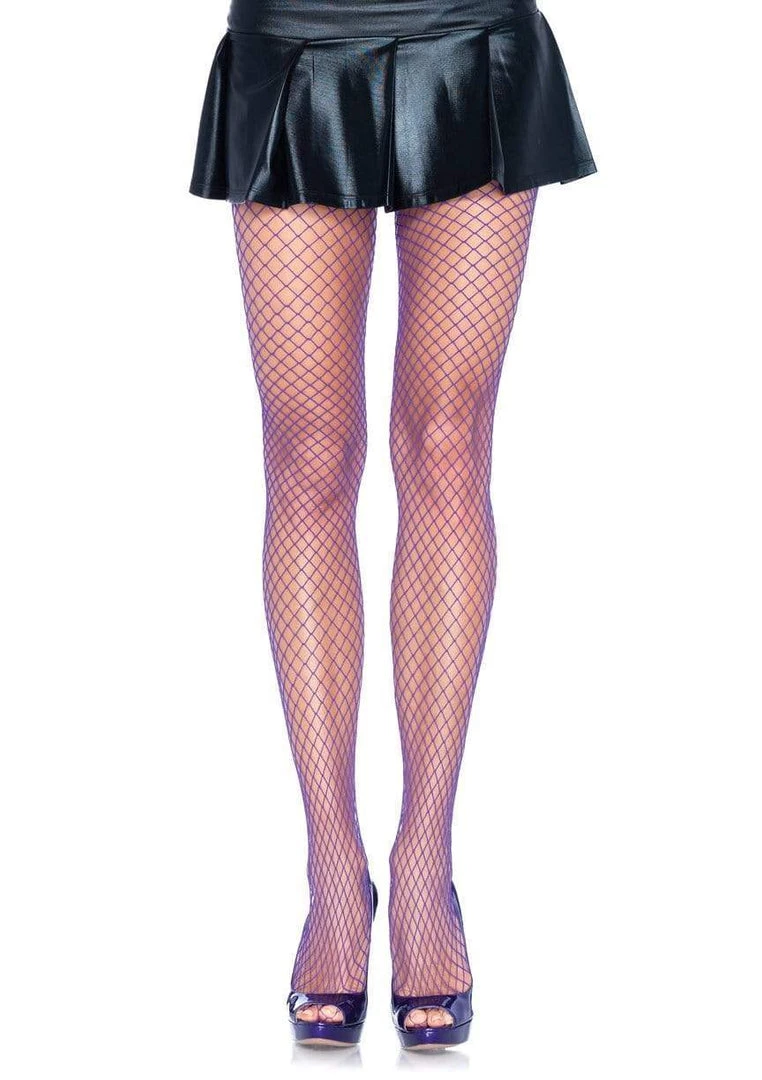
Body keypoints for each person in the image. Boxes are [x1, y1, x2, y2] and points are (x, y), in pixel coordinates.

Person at [189, 0, 596, 1050]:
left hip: (469, 30)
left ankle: (424, 866)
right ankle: (334, 870)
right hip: (295, 35)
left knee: (446, 446)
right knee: (308, 458)